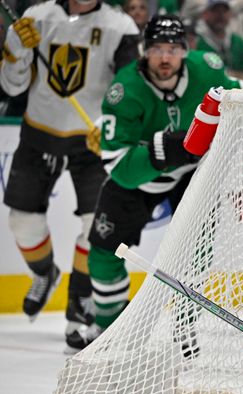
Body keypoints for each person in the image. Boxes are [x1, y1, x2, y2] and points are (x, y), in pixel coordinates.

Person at [66, 15, 241, 351]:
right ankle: (109, 329)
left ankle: (186, 321)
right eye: (157, 49)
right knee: (103, 251)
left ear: (185, 51)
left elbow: (240, 100)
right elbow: (120, 168)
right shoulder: (125, 90)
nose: (165, 57)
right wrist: (167, 148)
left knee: (198, 250)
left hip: (193, 174)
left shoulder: (208, 70)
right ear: (144, 51)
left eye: (173, 49)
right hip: (142, 177)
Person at [0, 0, 139, 345]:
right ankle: (44, 273)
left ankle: (80, 303)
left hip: (92, 144)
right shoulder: (36, 18)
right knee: (22, 222)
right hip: (39, 134)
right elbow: (12, 88)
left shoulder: (120, 27)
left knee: (97, 224)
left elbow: (130, 88)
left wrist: (112, 122)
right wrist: (15, 51)